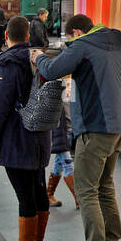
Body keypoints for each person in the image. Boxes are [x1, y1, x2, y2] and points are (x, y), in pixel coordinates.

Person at [35, 13, 121, 241]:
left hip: (96, 127)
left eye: (69, 38)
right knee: (105, 187)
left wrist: (38, 57)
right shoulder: (114, 44)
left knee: (87, 189)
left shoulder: (84, 46)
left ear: (76, 32)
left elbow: (52, 70)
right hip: (120, 127)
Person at [0, 15, 53, 241]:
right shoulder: (38, 61)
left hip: (18, 139)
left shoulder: (9, 64)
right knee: (37, 189)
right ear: (29, 37)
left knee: (25, 194)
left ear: (6, 36)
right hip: (40, 136)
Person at [46, 78, 77, 208]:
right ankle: (79, 198)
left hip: (70, 130)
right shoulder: (57, 86)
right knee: (68, 165)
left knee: (60, 163)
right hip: (61, 132)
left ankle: (49, 194)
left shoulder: (72, 84)